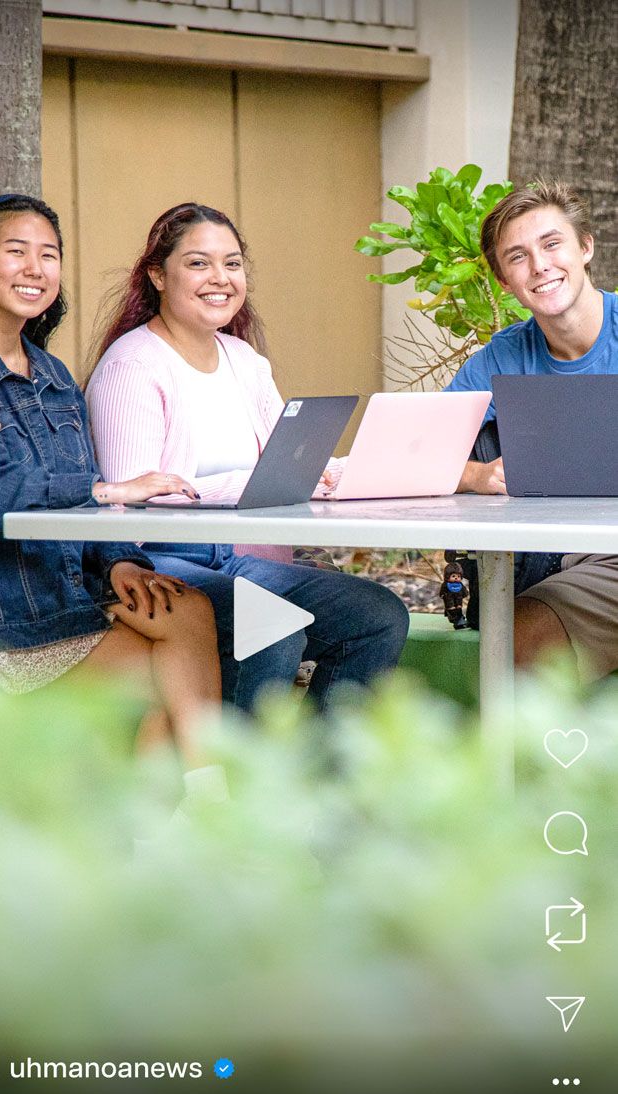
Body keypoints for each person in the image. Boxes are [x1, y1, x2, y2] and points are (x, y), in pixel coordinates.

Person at [0, 193, 223, 775]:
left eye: (49, 255)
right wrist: (111, 490)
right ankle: (190, 823)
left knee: (188, 611)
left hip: (52, 613)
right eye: (16, 252)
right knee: (164, 679)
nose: (36, 268)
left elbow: (78, 499)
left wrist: (117, 563)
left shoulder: (53, 376)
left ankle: (191, 815)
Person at [86, 202, 409, 711]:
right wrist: (252, 483)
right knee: (272, 629)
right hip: (161, 560)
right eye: (198, 263)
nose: (220, 278)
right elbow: (131, 506)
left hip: (237, 560)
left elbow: (289, 467)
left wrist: (364, 469)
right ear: (157, 276)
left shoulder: (245, 361)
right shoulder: (132, 366)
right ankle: (243, 785)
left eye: (232, 263)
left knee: (377, 615)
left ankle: (328, 779)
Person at [449, 180, 618, 680]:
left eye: (551, 244)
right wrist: (480, 476)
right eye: (518, 256)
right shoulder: (502, 358)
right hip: (566, 560)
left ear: (585, 247)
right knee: (512, 647)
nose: (540, 266)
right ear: (504, 281)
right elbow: (416, 456)